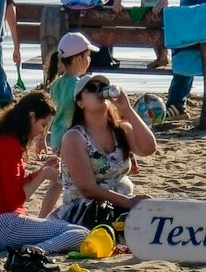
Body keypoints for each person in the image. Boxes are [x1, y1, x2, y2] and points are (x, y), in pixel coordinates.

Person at [0, 91, 88, 253]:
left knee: (65, 227)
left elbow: (12, 187)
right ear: (32, 117)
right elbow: (15, 200)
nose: (41, 132)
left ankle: (38, 248)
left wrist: (42, 171)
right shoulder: (9, 144)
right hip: (0, 226)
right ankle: (38, 250)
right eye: (42, 125)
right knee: (81, 233)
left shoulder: (0, 138)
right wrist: (42, 175)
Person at [52, 74, 158, 226]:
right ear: (80, 103)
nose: (99, 92)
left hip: (121, 207)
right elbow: (88, 188)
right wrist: (129, 202)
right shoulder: (74, 137)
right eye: (91, 88)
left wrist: (127, 110)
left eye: (102, 88)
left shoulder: (120, 130)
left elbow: (149, 149)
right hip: (85, 212)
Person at [42, 31, 100, 150]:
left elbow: (50, 114)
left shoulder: (55, 84)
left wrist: (43, 138)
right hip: (74, 138)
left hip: (56, 139)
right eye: (87, 56)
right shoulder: (80, 85)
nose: (89, 59)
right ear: (78, 59)